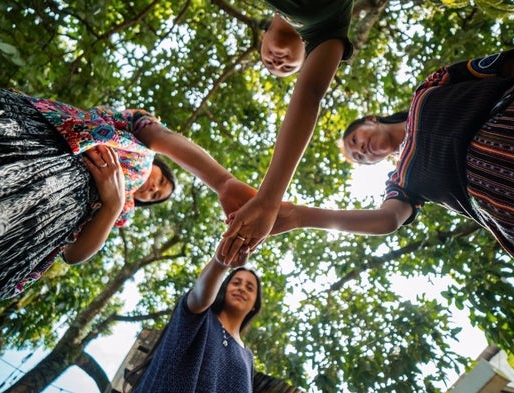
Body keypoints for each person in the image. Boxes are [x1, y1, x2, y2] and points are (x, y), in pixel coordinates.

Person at [0, 72, 254, 344]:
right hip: (35, 142)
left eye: (155, 196)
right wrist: (223, 182)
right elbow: (163, 137)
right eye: (160, 182)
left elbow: (73, 254)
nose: (153, 190)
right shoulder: (139, 142)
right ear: (157, 165)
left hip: (38, 223)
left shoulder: (122, 209)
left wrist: (112, 205)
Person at [269, 49, 514, 257]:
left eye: (355, 140)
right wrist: (300, 217)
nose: (361, 150)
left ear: (371, 120)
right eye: (359, 157)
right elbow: (388, 219)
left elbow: (501, 65)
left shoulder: (429, 88)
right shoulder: (403, 182)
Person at [221, 1, 354, 261]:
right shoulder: (328, 31)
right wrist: (269, 198)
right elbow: (309, 94)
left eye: (270, 64)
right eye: (288, 68)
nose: (276, 63)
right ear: (309, 54)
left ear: (262, 39)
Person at [127, 240, 262, 393]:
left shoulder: (247, 358)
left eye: (249, 288)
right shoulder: (199, 316)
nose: (242, 288)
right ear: (224, 289)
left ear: (254, 306)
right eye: (236, 283)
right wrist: (222, 261)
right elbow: (199, 296)